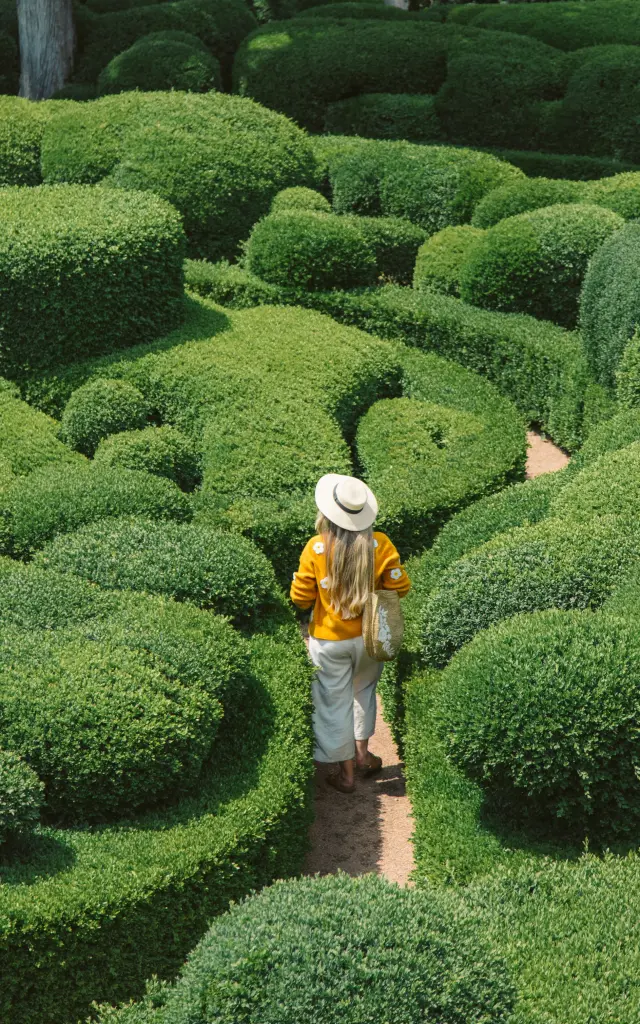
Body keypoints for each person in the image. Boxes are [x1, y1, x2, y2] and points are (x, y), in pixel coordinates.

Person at [291, 473, 411, 794]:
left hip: (329, 642)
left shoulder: (315, 548)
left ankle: (345, 774)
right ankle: (363, 755)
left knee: (333, 701)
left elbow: (300, 598)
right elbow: (401, 587)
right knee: (363, 693)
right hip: (369, 637)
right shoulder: (380, 543)